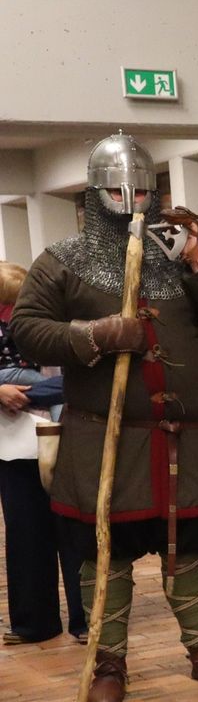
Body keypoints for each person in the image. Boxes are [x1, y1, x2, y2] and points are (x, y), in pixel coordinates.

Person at [10, 132, 198, 702]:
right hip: (107, 439)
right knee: (107, 552)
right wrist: (93, 335)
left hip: (182, 439)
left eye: (141, 191)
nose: (131, 201)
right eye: (118, 191)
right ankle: (108, 663)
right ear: (94, 195)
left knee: (187, 547)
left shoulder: (178, 257)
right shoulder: (65, 260)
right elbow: (27, 327)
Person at [0, 261, 86, 645]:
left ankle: (86, 619)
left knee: (75, 533)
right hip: (12, 448)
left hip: (63, 441)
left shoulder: (53, 325)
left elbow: (75, 381)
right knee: (25, 535)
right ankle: (34, 622)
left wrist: (27, 394)